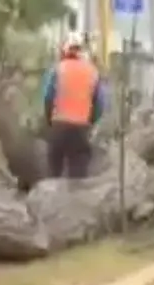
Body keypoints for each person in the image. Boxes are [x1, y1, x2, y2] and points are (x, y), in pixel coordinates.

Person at [40, 33, 106, 179]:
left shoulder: (57, 70)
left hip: (59, 126)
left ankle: (52, 190)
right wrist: (90, 121)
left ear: (65, 51)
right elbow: (100, 104)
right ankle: (76, 191)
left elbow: (47, 98)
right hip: (81, 129)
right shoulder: (92, 72)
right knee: (78, 174)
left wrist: (50, 121)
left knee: (54, 171)